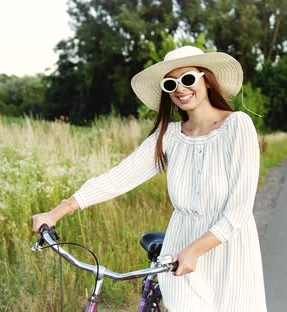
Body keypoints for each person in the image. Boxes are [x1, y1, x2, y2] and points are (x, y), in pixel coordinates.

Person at [32, 46, 267, 311]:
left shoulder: (237, 126)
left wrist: (196, 250)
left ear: (207, 80)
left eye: (187, 79)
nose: (180, 88)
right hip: (179, 249)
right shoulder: (168, 135)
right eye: (170, 83)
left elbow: (239, 209)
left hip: (229, 251)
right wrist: (57, 212)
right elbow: (118, 178)